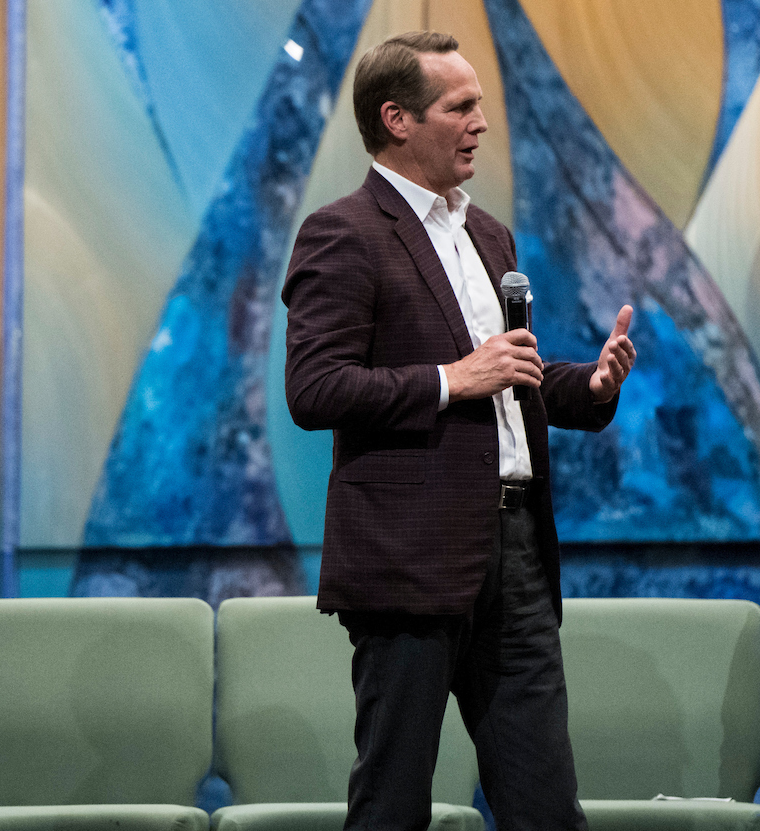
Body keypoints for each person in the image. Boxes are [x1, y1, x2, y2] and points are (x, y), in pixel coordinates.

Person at [282, 31, 636, 831]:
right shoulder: (343, 233)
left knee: (547, 806)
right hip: (407, 561)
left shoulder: (489, 237)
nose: (482, 121)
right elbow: (314, 387)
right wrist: (451, 379)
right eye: (461, 106)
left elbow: (514, 378)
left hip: (515, 555)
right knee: (393, 803)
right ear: (397, 118)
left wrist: (591, 383)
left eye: (480, 104)